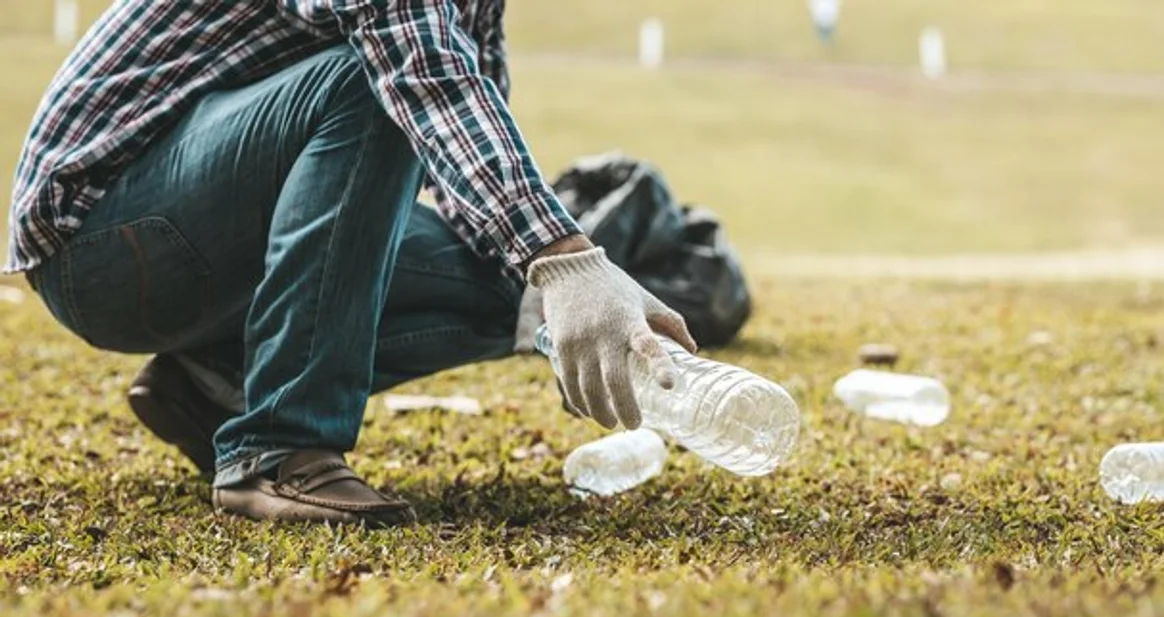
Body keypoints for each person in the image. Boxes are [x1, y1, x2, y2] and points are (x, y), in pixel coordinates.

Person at [6, 1, 696, 527]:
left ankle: (219, 384)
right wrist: (563, 259)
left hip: (197, 235)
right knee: (371, 80)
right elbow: (419, 73)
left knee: (505, 281)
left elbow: (466, 156)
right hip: (102, 238)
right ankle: (278, 448)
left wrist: (572, 283)